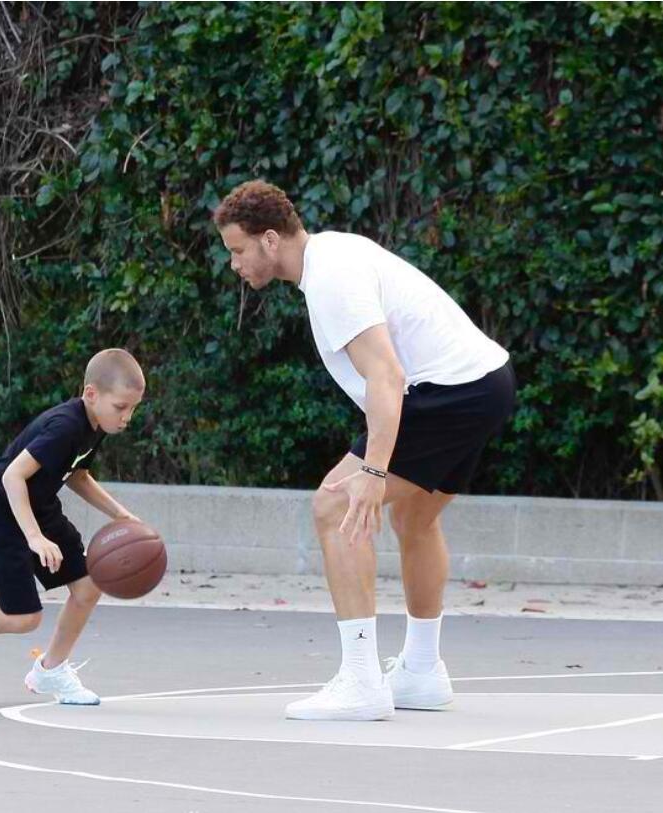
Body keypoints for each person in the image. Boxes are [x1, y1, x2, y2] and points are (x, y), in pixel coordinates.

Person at [214, 180, 515, 721]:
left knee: (334, 505)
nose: (234, 264)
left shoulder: (332, 278)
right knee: (416, 520)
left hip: (449, 391)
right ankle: (421, 672)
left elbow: (386, 374)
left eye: (237, 250)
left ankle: (361, 682)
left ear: (268, 240)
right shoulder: (332, 256)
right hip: (485, 382)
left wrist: (373, 470)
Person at [0, 348, 145, 704]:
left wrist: (119, 514)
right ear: (91, 394)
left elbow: (77, 474)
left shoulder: (95, 425)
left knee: (88, 585)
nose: (127, 417)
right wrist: (34, 536)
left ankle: (51, 671)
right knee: (24, 617)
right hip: (2, 513)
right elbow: (13, 475)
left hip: (40, 508)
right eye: (121, 407)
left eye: (133, 408)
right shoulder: (66, 426)